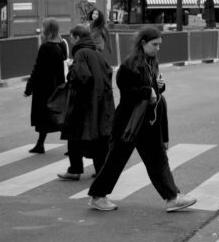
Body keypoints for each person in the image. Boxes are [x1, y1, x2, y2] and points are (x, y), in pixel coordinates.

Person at [81, 28, 195, 211]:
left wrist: (159, 87)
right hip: (129, 123)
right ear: (143, 43)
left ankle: (172, 197)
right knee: (116, 160)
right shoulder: (130, 65)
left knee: (157, 159)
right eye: (154, 44)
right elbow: (126, 92)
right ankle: (97, 196)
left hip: (146, 122)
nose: (158, 48)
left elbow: (152, 91)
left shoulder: (150, 62)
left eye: (159, 44)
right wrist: (145, 91)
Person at [58, 24, 114, 181]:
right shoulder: (96, 53)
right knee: (97, 138)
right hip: (100, 102)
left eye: (71, 37)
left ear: (77, 37)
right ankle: (100, 170)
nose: (71, 41)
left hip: (84, 104)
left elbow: (83, 77)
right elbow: (108, 73)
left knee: (74, 136)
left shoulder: (81, 53)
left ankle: (75, 169)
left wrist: (70, 73)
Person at [22, 20, 69, 154]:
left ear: (47, 30)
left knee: (46, 117)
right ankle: (40, 144)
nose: (41, 29)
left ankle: (43, 144)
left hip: (44, 87)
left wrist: (29, 88)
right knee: (56, 116)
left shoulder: (46, 47)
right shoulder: (61, 45)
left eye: (43, 27)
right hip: (57, 86)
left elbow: (38, 69)